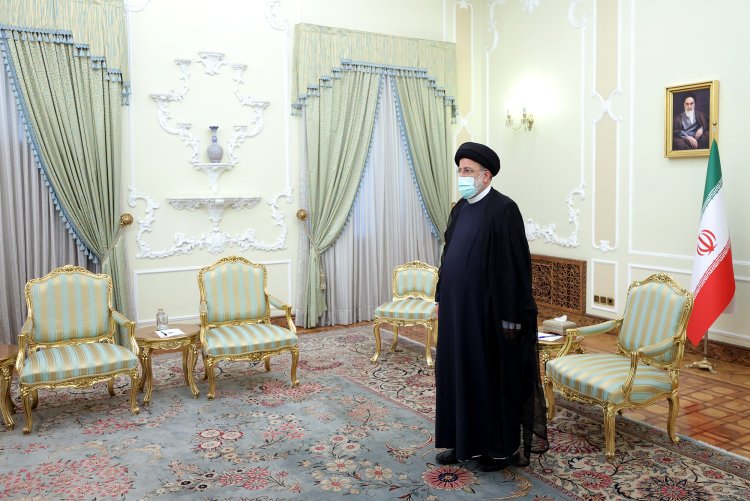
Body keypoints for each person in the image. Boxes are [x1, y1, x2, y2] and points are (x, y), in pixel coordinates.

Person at [433, 142, 548, 472]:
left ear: (486, 176)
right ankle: (461, 442)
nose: (462, 176)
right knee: (456, 374)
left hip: (488, 316)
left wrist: (511, 318)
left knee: (488, 378)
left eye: (467, 171)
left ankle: (496, 450)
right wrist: (440, 297)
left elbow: (515, 268)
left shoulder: (503, 209)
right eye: (460, 170)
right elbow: (447, 256)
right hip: (456, 313)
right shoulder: (460, 208)